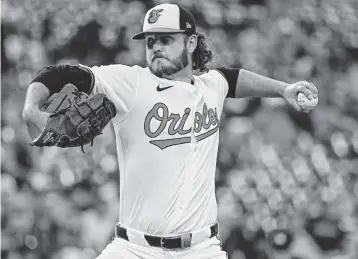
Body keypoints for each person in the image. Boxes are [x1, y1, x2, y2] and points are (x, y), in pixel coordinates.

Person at [22, 3, 318, 259]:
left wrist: (284, 89)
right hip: (135, 249)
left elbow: (233, 79)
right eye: (150, 42)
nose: (156, 48)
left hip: (202, 249)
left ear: (190, 43)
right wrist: (31, 108)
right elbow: (59, 74)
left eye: (166, 39)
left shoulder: (211, 86)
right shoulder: (130, 83)